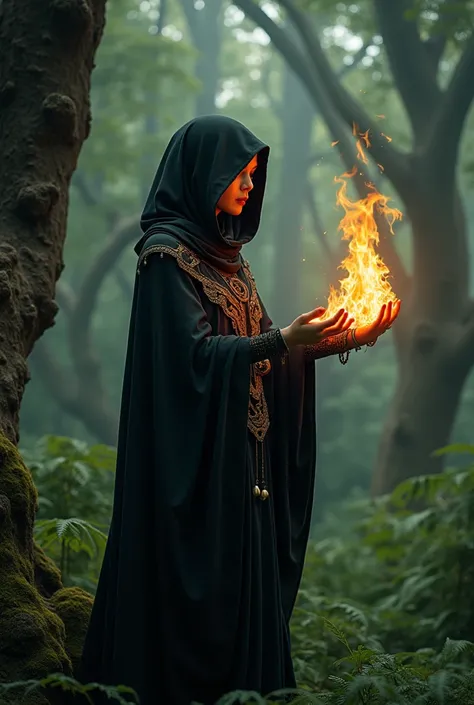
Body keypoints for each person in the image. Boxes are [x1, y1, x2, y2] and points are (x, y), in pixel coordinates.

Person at [79, 115, 399, 705]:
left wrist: (335, 341)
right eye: (241, 173)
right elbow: (189, 362)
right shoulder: (165, 259)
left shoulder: (233, 263)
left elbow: (263, 355)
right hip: (194, 474)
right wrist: (283, 341)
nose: (251, 185)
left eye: (254, 175)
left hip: (245, 471)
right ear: (204, 173)